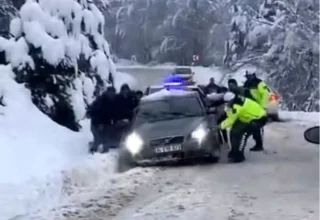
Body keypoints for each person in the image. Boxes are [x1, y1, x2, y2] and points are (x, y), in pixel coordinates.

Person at [219, 92, 267, 162]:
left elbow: (231, 120)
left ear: (231, 100)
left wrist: (220, 126)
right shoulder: (237, 99)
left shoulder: (237, 106)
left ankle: (239, 156)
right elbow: (231, 115)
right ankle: (234, 151)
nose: (226, 104)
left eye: (227, 102)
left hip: (258, 118)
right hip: (247, 117)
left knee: (243, 134)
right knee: (234, 131)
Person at [87, 86, 117, 153]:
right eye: (110, 92)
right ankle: (93, 151)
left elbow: (114, 113)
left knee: (106, 138)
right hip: (96, 123)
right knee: (98, 138)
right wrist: (99, 124)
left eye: (113, 92)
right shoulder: (101, 100)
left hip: (106, 123)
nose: (111, 94)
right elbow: (96, 113)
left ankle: (105, 153)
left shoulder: (114, 101)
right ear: (107, 92)